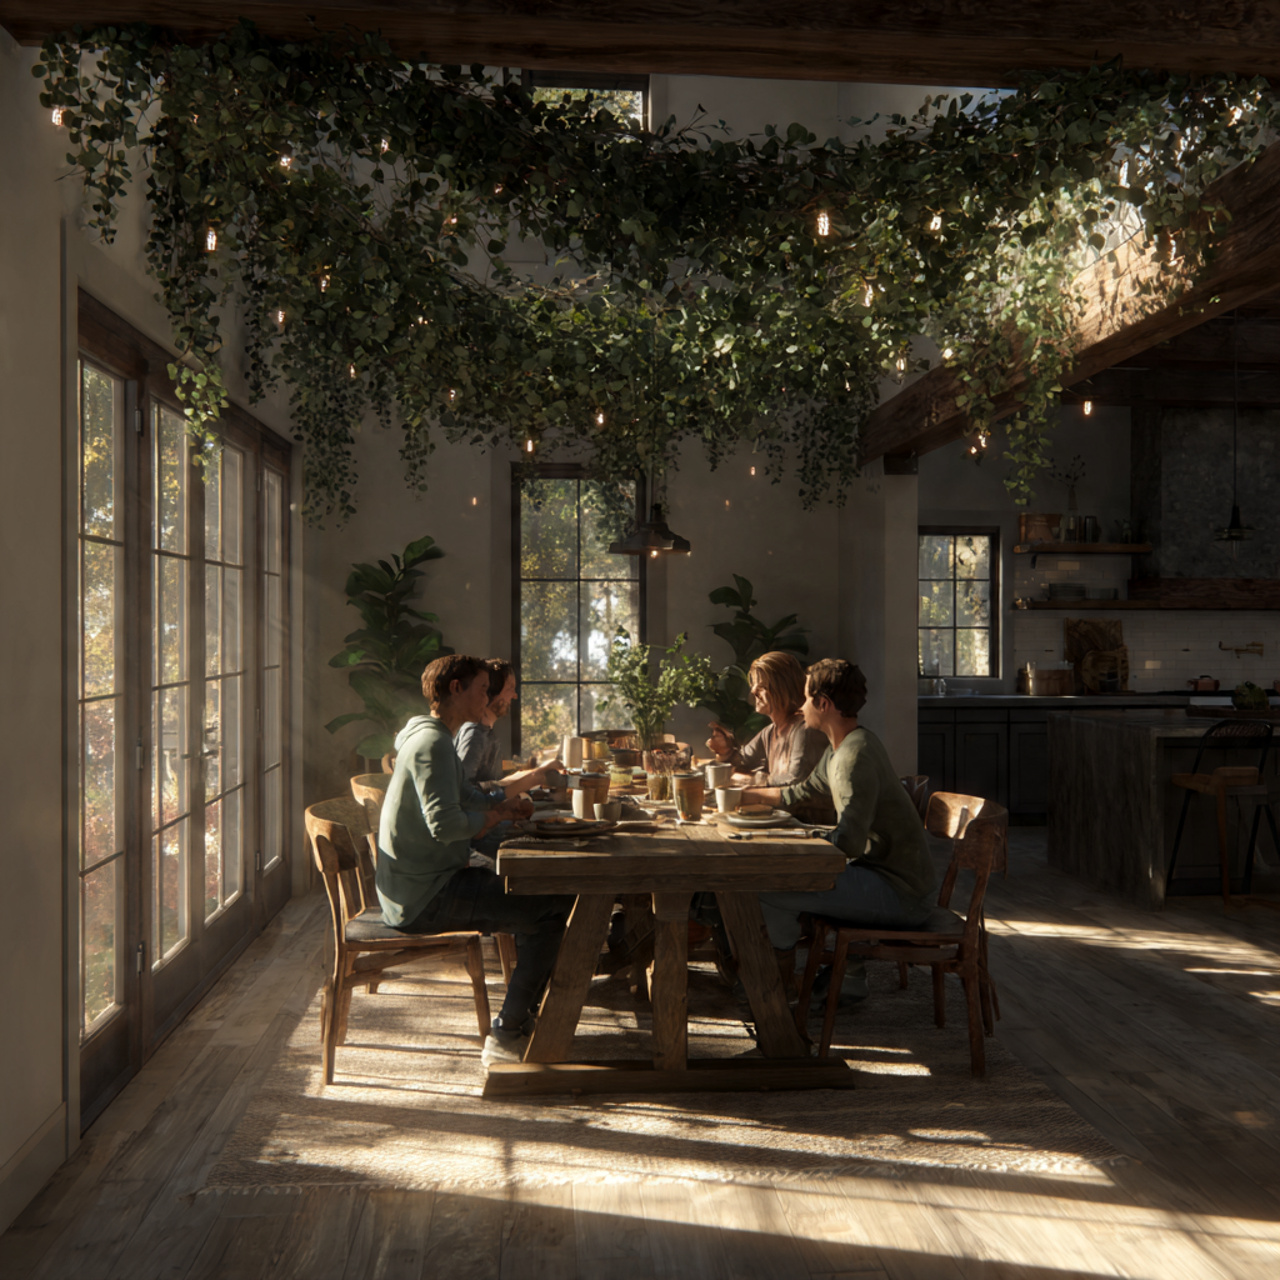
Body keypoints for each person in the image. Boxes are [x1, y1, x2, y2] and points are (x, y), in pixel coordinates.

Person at [376, 653, 574, 1067]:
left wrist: (501, 806)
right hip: (424, 897)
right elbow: (445, 825)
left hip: (424, 884)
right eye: (483, 689)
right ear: (455, 689)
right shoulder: (432, 742)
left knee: (543, 897)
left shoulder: (433, 738)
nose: (488, 697)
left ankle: (523, 1016)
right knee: (553, 906)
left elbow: (467, 797)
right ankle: (506, 1033)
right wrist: (491, 815)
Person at [743, 659, 936, 999]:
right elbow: (795, 793)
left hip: (900, 895)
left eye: (805, 699)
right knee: (771, 880)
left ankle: (775, 985)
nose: (800, 707)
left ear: (823, 704)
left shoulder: (852, 759)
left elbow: (846, 842)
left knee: (766, 888)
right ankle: (844, 976)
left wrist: (798, 838)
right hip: (885, 879)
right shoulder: (846, 746)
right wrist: (739, 797)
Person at [456, 659, 558, 867]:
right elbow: (461, 792)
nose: (515, 695)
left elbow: (488, 785)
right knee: (551, 846)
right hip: (476, 837)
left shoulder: (486, 732)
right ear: (492, 691)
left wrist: (519, 790)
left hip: (488, 826)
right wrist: (524, 782)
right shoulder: (474, 734)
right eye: (510, 688)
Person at [705, 651, 828, 786]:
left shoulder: (804, 729)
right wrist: (725, 750)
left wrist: (756, 779)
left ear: (783, 689)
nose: (753, 691)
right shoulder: (770, 732)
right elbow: (741, 761)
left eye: (762, 686)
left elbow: (796, 781)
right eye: (754, 684)